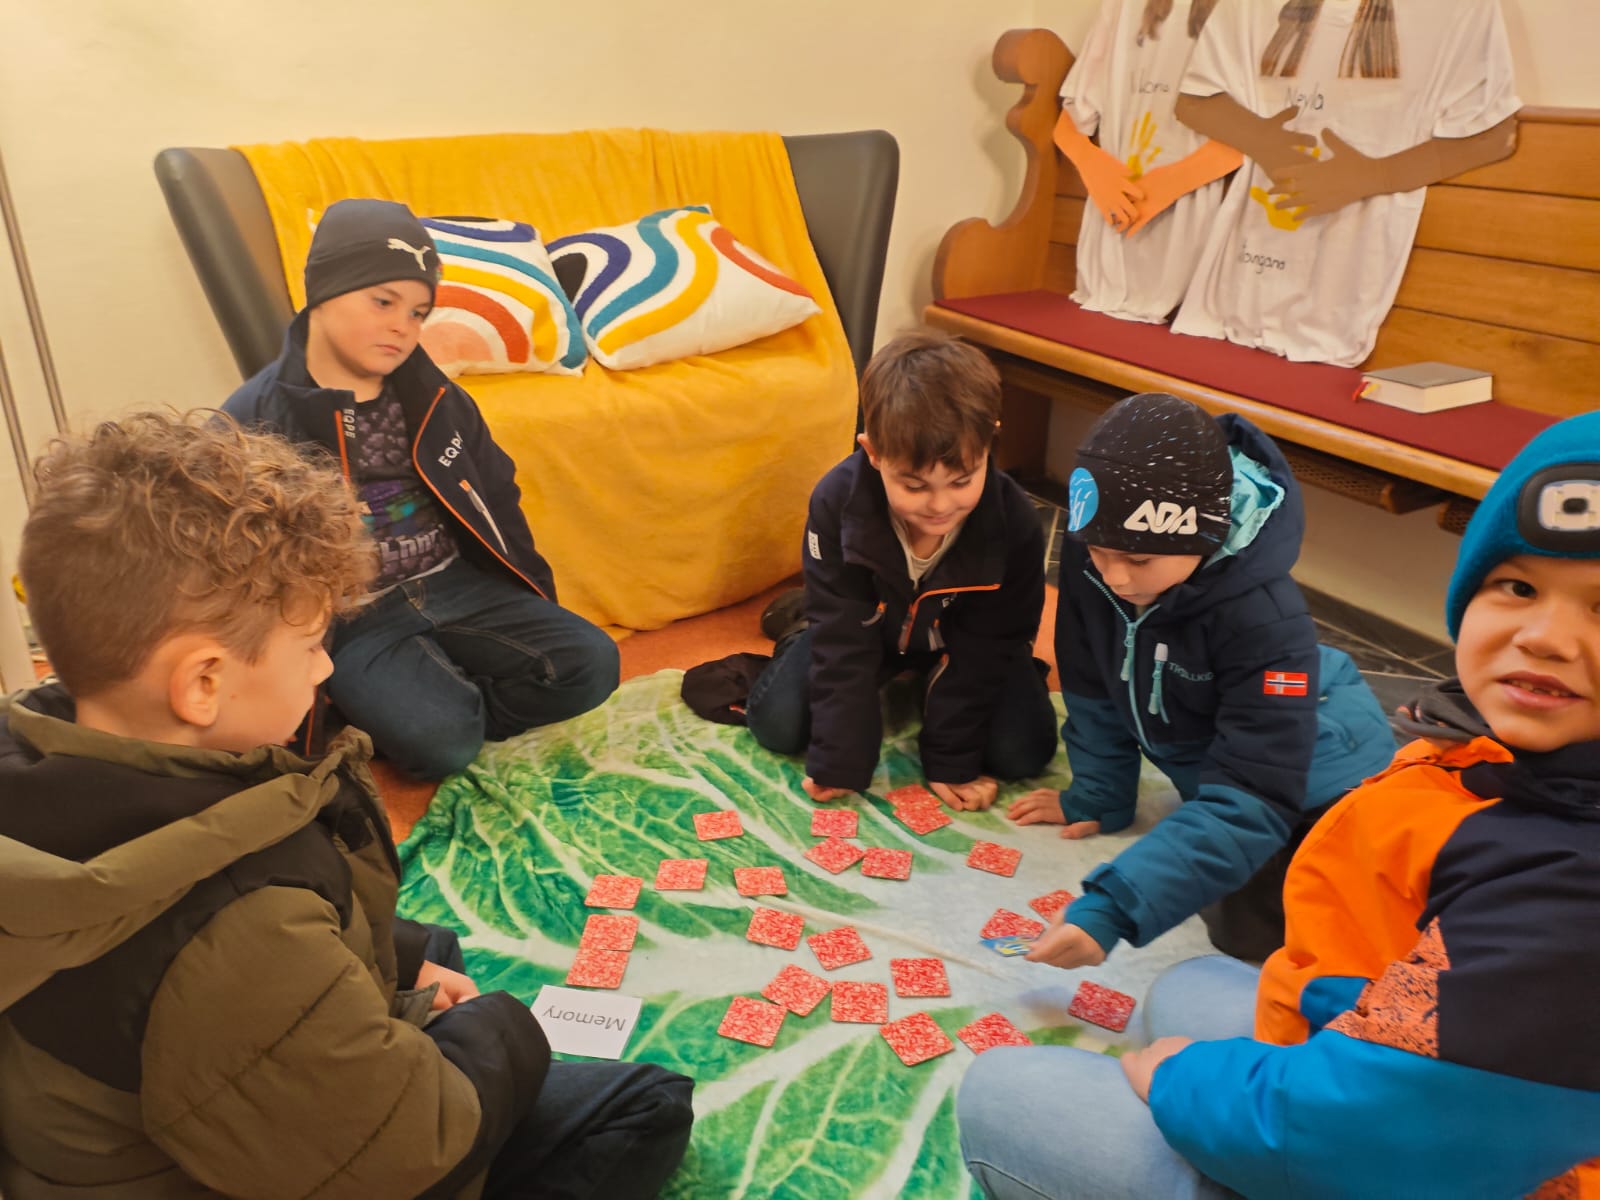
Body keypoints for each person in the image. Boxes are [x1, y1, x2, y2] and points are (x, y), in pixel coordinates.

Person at [0, 411, 693, 1198]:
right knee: (643, 1106)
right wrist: (502, 1029)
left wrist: (404, 958)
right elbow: (407, 1150)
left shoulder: (39, 741)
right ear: (203, 683)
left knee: (427, 947)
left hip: (118, 1115)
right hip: (222, 1163)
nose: (327, 669)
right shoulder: (245, 929)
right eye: (310, 647)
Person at [958, 410, 1600, 1199]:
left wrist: (1183, 1078)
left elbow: (1363, 1131)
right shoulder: (1501, 759)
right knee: (1188, 985)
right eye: (1519, 587)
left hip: (1429, 1156)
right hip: (1405, 1050)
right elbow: (1095, 691)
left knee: (1005, 1090)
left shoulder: (1570, 892)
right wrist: (1098, 795)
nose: (1544, 637)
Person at [225, 197, 619, 780]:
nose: (401, 327)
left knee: (593, 663)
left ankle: (434, 696)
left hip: (454, 582)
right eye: (382, 302)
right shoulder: (252, 419)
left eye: (418, 313)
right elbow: (234, 563)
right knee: (442, 749)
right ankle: (418, 706)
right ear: (323, 294)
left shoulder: (437, 396)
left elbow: (497, 496)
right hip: (356, 615)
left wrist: (537, 599)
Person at [1009, 392, 1392, 962]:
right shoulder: (1097, 554)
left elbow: (1253, 793)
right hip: (1222, 750)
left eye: (1139, 561)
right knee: (1211, 874)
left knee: (1251, 933)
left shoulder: (1268, 618)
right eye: (1100, 552)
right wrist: (1100, 796)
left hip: (1325, 779)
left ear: (1204, 537)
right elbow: (1091, 684)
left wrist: (1112, 907)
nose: (1114, 577)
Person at [745, 331, 1057, 810]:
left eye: (962, 481)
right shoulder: (835, 500)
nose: (940, 505)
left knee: (1023, 753)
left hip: (964, 641)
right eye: (914, 486)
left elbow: (993, 645)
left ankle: (926, 682)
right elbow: (843, 640)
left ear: (989, 440)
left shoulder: (1013, 518)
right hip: (867, 629)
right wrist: (842, 760)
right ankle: (800, 620)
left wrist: (951, 760)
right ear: (873, 452)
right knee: (778, 726)